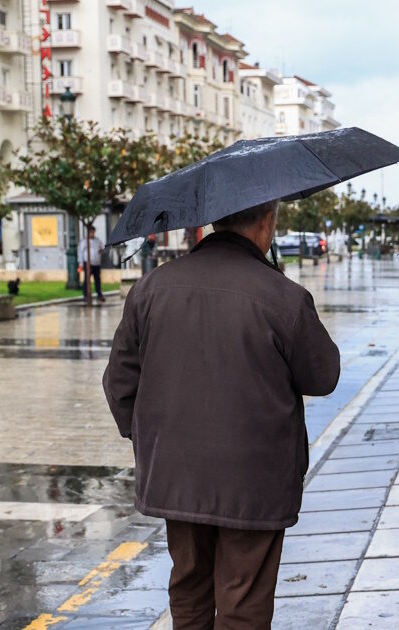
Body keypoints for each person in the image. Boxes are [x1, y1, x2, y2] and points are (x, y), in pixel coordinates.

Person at [103, 200, 340, 629]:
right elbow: (322, 376)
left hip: (176, 473)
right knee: (243, 598)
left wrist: (150, 440)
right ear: (266, 224)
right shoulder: (282, 296)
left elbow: (119, 383)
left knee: (189, 586)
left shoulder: (151, 288)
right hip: (255, 479)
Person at [77, 225, 105, 302]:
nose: (92, 233)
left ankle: (99, 294)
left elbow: (102, 248)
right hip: (88, 263)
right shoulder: (84, 242)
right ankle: (86, 294)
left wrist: (101, 251)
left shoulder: (98, 241)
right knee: (87, 279)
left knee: (97, 279)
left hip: (96, 263)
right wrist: (81, 263)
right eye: (91, 232)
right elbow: (80, 253)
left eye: (93, 232)